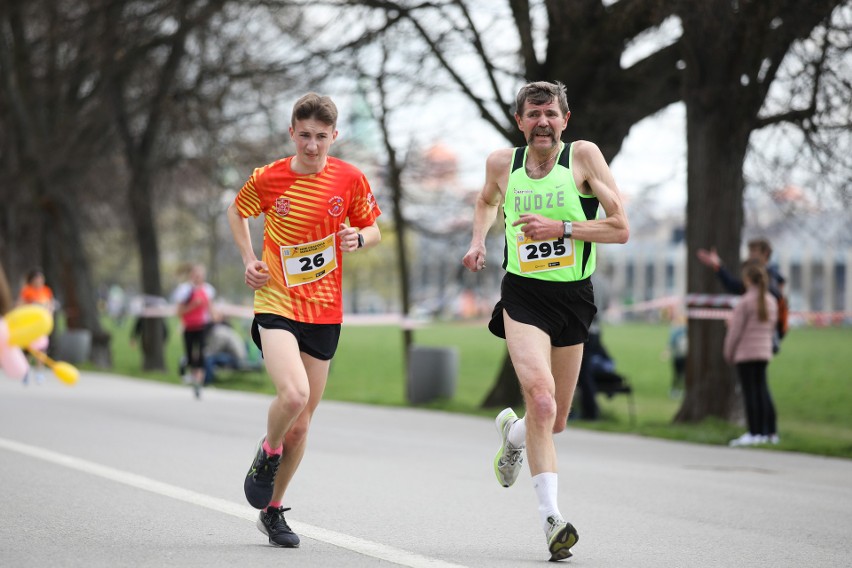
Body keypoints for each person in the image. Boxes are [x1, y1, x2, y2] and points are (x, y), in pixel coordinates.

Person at [461, 81, 629, 561]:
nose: (543, 123)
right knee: (540, 397)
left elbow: (620, 228)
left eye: (551, 114)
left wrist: (563, 229)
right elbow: (486, 200)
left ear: (565, 120)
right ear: (520, 122)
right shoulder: (503, 164)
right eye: (533, 115)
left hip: (574, 297)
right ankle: (551, 520)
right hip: (524, 296)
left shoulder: (584, 158)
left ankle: (511, 436)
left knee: (552, 420)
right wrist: (478, 242)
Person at [226, 92, 381, 549]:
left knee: (303, 422)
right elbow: (237, 211)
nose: (312, 146)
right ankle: (267, 451)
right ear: (291, 133)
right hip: (276, 302)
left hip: (325, 310)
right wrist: (249, 259)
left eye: (321, 137)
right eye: (305, 136)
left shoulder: (350, 178)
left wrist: (358, 238)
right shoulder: (269, 178)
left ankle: (272, 512)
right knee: (293, 394)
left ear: (335, 136)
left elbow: (374, 227)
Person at [724, 260, 779, 447]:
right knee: (762, 391)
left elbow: (735, 332)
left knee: (750, 394)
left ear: (747, 280)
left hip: (746, 353)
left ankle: (754, 432)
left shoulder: (745, 302)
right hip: (763, 353)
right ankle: (767, 432)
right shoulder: (771, 301)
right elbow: (772, 328)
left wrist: (728, 352)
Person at [697, 238, 788, 350]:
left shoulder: (770, 281)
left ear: (765, 254)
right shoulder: (766, 281)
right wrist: (718, 266)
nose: (749, 256)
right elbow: (734, 286)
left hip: (761, 338)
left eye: (753, 252)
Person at [175, 264, 214, 399]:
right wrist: (193, 306)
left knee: (202, 353)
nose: (198, 277)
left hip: (203, 326)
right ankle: (193, 376)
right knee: (190, 354)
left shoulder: (208, 290)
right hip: (189, 327)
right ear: (191, 275)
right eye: (196, 274)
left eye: (201, 274)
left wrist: (217, 317)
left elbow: (210, 308)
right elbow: (178, 312)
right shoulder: (185, 290)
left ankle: (199, 382)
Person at [17, 268, 57, 384]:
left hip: (42, 325)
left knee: (41, 349)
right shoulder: (27, 291)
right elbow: (20, 305)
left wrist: (49, 313)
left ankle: (39, 372)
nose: (40, 281)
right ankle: (25, 371)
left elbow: (50, 305)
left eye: (41, 278)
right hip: (30, 325)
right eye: (37, 278)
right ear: (32, 280)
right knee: (28, 350)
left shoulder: (46, 290)